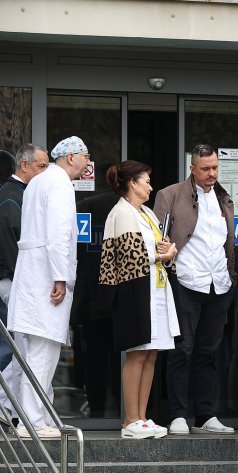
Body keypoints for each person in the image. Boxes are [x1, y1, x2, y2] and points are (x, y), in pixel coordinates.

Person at [6, 137, 88, 438]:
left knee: (36, 351)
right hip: (44, 276)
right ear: (69, 158)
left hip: (32, 273)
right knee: (42, 351)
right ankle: (33, 421)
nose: (88, 161)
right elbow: (58, 234)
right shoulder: (60, 184)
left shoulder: (40, 181)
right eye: (85, 155)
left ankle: (41, 415)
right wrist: (60, 276)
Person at [153, 143, 236, 435]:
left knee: (209, 351)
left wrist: (231, 275)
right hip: (185, 281)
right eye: (205, 169)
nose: (212, 173)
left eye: (215, 167)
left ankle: (205, 414)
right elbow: (157, 239)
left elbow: (227, 243)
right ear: (192, 168)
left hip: (219, 284)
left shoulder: (224, 198)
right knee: (181, 350)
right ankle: (177, 414)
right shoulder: (170, 195)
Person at [97, 160, 179, 439]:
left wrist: (167, 250)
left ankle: (142, 418)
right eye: (146, 181)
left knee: (151, 353)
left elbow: (157, 248)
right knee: (137, 353)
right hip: (134, 290)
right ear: (132, 183)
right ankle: (130, 419)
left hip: (155, 288)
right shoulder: (121, 213)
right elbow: (129, 257)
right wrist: (162, 255)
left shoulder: (146, 212)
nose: (150, 186)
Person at [0, 143, 48, 419]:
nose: (44, 172)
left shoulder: (20, 193)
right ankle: (8, 405)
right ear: (24, 166)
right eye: (41, 166)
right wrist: (19, 275)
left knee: (23, 346)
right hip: (13, 279)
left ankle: (9, 405)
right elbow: (9, 237)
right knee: (22, 346)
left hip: (15, 278)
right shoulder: (12, 196)